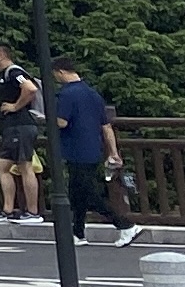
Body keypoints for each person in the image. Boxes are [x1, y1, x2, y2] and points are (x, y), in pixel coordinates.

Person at [50, 62, 133, 243]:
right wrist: (113, 152)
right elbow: (106, 126)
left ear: (60, 72)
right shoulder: (93, 93)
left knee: (88, 192)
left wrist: (46, 118)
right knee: (77, 192)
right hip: (93, 148)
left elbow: (62, 122)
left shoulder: (66, 94)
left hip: (75, 148)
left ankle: (125, 225)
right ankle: (78, 232)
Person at [0, 45, 46, 223]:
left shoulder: (14, 72)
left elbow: (30, 88)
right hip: (13, 128)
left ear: (2, 54)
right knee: (3, 166)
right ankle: (8, 210)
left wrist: (15, 106)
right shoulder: (4, 74)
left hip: (20, 126)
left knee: (24, 166)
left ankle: (32, 212)